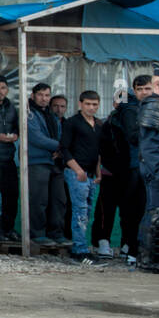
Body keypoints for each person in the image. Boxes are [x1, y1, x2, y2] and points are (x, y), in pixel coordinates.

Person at [95, 75, 152, 261]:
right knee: (125, 210)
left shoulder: (128, 113)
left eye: (147, 89)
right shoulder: (129, 112)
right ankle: (125, 247)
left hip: (122, 170)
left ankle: (124, 246)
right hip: (123, 170)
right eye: (140, 89)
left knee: (124, 210)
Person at [137, 63, 159, 273]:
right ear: (157, 83)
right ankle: (148, 260)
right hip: (156, 167)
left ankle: (157, 258)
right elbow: (149, 145)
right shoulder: (155, 105)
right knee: (156, 213)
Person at [60, 91, 102, 260]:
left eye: (94, 104)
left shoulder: (98, 125)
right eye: (88, 104)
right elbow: (64, 149)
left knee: (87, 213)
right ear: (80, 104)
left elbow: (98, 151)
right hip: (77, 173)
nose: (91, 107)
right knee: (80, 212)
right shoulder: (72, 123)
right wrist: (77, 170)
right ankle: (79, 249)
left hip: (92, 175)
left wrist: (98, 173)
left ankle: (83, 246)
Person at [26, 83, 69, 246]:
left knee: (59, 199)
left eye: (47, 95)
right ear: (33, 96)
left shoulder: (51, 115)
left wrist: (59, 150)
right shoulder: (29, 114)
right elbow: (36, 137)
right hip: (37, 162)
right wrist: (59, 146)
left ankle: (56, 233)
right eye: (40, 95)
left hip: (54, 162)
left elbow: (59, 134)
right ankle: (38, 234)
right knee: (39, 199)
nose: (44, 98)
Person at [0, 75, 19, 239]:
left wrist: (15, 135)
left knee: (11, 195)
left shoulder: (12, 107)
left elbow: (18, 127)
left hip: (8, 157)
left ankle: (8, 228)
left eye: (3, 88)